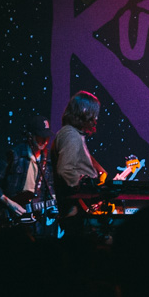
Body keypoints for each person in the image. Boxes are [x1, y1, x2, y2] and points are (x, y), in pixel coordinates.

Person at [50, 91, 105, 234]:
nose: (96, 119)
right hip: (76, 212)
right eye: (94, 114)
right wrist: (87, 191)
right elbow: (65, 170)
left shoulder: (74, 134)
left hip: (78, 210)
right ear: (84, 112)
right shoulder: (70, 135)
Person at [0, 115, 54, 226]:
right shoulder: (14, 155)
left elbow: (49, 190)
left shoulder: (48, 160)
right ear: (30, 136)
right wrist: (9, 203)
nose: (45, 141)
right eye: (40, 137)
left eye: (47, 137)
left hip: (33, 219)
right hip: (9, 216)